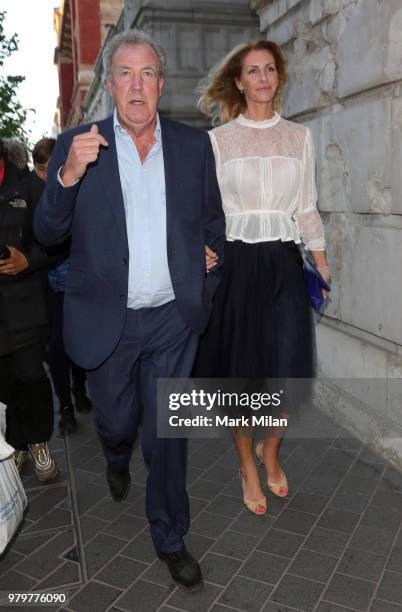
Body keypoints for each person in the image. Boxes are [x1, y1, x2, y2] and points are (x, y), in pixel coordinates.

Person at [34, 29, 225, 590]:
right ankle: (116, 451)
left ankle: (170, 535)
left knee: (167, 434)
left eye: (147, 74)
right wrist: (67, 174)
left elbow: (212, 221)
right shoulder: (79, 143)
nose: (136, 85)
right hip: (108, 322)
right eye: (125, 73)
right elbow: (47, 232)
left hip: (171, 318)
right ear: (111, 85)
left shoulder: (194, 147)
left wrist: (209, 259)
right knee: (117, 420)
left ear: (161, 86)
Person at [193, 40, 330, 515]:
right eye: (253, 71)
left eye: (270, 69)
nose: (263, 78)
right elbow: (206, 211)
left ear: (278, 77)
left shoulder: (299, 137)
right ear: (239, 82)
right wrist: (205, 253)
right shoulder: (219, 141)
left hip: (285, 265)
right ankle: (246, 465)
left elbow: (307, 206)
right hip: (237, 265)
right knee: (243, 372)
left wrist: (322, 260)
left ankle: (269, 451)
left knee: (286, 369)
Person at [0, 138, 58, 482]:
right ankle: (17, 444)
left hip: (26, 305)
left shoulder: (27, 185)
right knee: (4, 386)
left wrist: (27, 260)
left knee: (31, 377)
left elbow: (54, 241)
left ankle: (39, 442)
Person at [27, 138, 92, 435]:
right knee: (56, 346)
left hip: (76, 281)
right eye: (40, 169)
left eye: (49, 168)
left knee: (76, 341)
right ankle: (65, 404)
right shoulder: (33, 192)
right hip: (47, 285)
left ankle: (79, 388)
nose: (44, 176)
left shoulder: (76, 185)